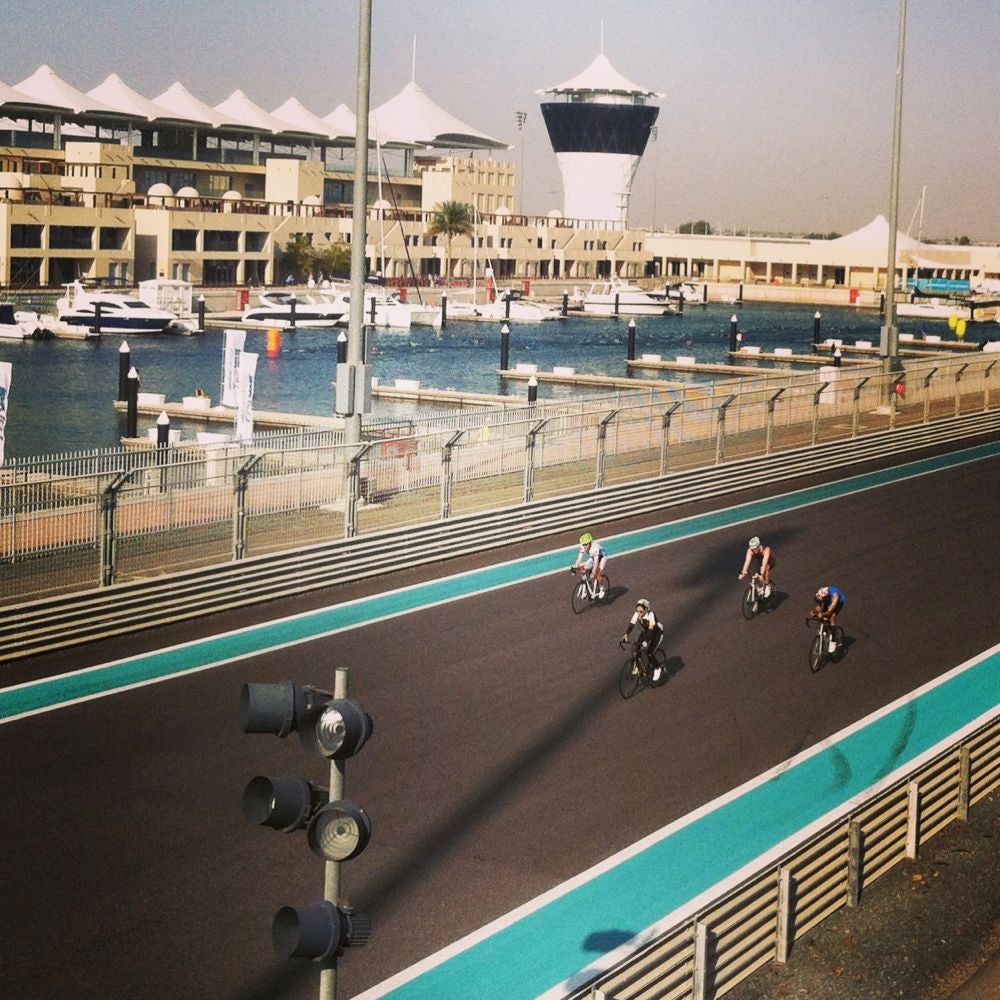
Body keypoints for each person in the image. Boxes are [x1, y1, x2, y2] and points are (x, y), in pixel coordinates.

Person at [621, 598, 665, 682]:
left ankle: (657, 668)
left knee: (649, 653)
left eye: (641, 611)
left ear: (646, 609)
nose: (639, 613)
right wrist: (626, 634)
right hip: (646, 632)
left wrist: (645, 641)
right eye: (637, 611)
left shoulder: (651, 614)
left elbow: (651, 629)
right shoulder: (638, 613)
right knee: (635, 649)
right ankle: (639, 667)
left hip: (657, 633)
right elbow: (631, 624)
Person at [571, 532, 608, 597]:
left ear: (590, 543)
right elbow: (579, 558)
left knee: (597, 573)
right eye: (583, 544)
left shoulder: (595, 547)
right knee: (584, 568)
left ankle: (602, 588)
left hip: (602, 557)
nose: (584, 546)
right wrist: (575, 567)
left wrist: (594, 571)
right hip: (593, 557)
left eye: (586, 544)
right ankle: (587, 586)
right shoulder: (582, 546)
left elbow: (596, 562)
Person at [812, 586, 846, 653]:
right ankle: (825, 631)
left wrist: (822, 614)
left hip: (839, 602)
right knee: (822, 615)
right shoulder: (820, 593)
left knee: (832, 617)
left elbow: (830, 611)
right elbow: (819, 607)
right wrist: (814, 612)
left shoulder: (835, 597)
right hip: (828, 599)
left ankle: (833, 642)